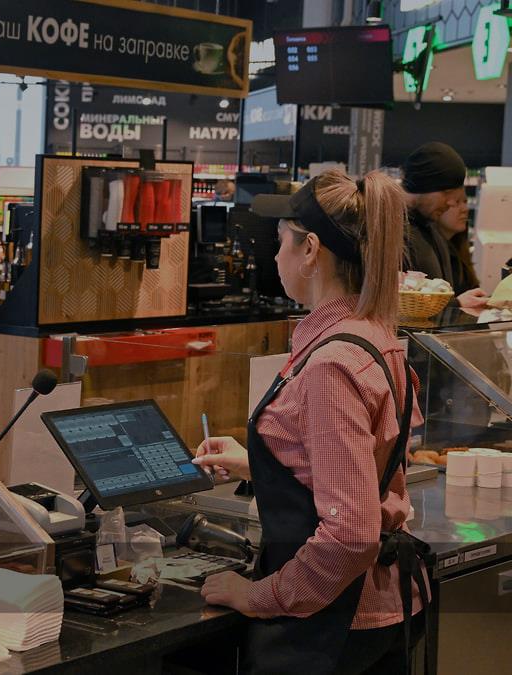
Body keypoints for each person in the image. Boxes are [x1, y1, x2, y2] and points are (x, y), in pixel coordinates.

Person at [193, 170, 431, 674]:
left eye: (281, 240)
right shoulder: (375, 336)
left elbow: (351, 535)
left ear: (310, 250)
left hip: (331, 624)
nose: (275, 255)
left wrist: (258, 595)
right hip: (384, 608)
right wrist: (257, 464)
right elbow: (362, 465)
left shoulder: (330, 364)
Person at [402, 141, 486, 308]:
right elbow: (395, 302)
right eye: (447, 193)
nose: (451, 203)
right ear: (426, 186)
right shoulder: (393, 231)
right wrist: (457, 304)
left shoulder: (429, 228)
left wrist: (456, 303)